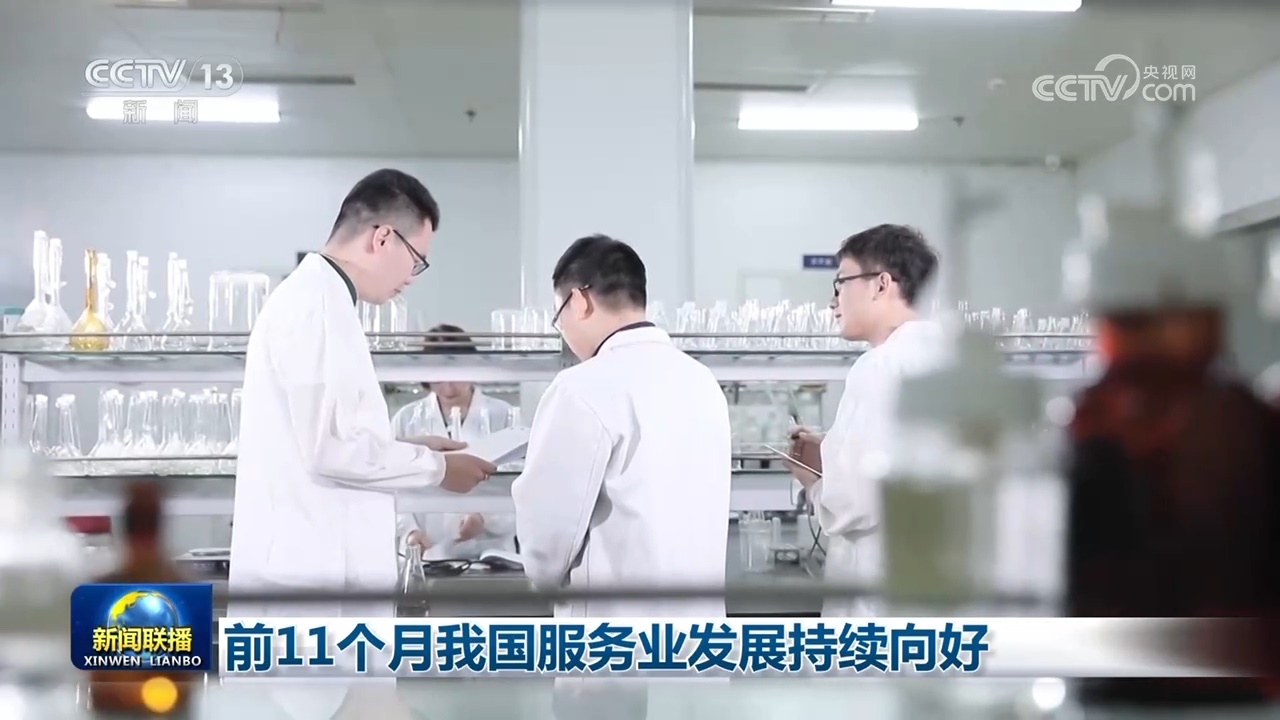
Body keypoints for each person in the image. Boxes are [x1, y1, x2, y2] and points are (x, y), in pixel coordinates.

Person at [225, 168, 497, 719]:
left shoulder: (324, 300)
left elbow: (324, 437)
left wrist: (406, 444)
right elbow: (330, 448)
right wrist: (437, 469)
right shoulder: (315, 304)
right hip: (310, 593)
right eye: (417, 260)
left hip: (325, 589)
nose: (412, 278)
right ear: (382, 238)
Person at [511, 234, 733, 618]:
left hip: (613, 634)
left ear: (579, 302)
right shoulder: (702, 380)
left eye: (558, 316)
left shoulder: (581, 387)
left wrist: (540, 576)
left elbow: (547, 534)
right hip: (698, 629)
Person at [787, 223, 946, 617]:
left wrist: (814, 484)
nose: (833, 301)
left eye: (841, 282)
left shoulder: (878, 366)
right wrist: (833, 447)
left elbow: (851, 503)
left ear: (881, 284)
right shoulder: (950, 358)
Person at [392, 323, 518, 559]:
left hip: (488, 554)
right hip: (426, 554)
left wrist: (486, 517)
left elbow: (522, 487)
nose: (448, 388)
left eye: (456, 375)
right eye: (438, 379)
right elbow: (390, 486)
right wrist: (409, 531)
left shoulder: (504, 415)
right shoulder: (406, 419)